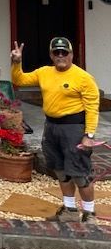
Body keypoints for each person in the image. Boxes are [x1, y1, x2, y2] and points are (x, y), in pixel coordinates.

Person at [10, 36, 102, 222]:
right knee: (60, 170)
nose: (61, 56)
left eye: (64, 52)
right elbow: (19, 79)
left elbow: (93, 107)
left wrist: (89, 135)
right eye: (56, 52)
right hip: (51, 127)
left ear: (71, 54)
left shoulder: (83, 78)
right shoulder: (44, 72)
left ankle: (89, 214)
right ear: (51, 55)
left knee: (79, 172)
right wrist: (16, 62)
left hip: (74, 129)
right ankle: (70, 210)